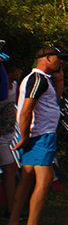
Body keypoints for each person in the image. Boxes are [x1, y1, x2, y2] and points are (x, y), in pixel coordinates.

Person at [9, 46, 66, 225]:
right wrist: (24, 137)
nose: (61, 61)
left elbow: (53, 102)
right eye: (58, 58)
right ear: (47, 58)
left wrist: (59, 79)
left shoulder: (43, 80)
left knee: (26, 179)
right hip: (40, 136)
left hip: (37, 135)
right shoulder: (38, 79)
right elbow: (26, 111)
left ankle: (13, 220)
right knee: (46, 178)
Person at [0, 56, 20, 220]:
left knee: (10, 169)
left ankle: (11, 210)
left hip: (7, 133)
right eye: (17, 69)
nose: (20, 72)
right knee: (10, 168)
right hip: (1, 135)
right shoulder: (1, 86)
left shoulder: (16, 85)